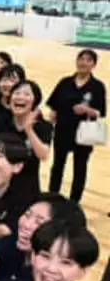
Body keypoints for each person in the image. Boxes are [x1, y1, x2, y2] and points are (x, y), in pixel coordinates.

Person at [47, 49, 107, 202]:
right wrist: (51, 117)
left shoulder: (97, 86)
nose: (83, 63)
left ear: (93, 64)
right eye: (81, 59)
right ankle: (52, 198)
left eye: (88, 60)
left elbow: (100, 113)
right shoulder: (65, 82)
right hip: (63, 130)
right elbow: (53, 106)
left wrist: (87, 110)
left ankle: (74, 202)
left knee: (80, 168)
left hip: (84, 133)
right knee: (57, 165)